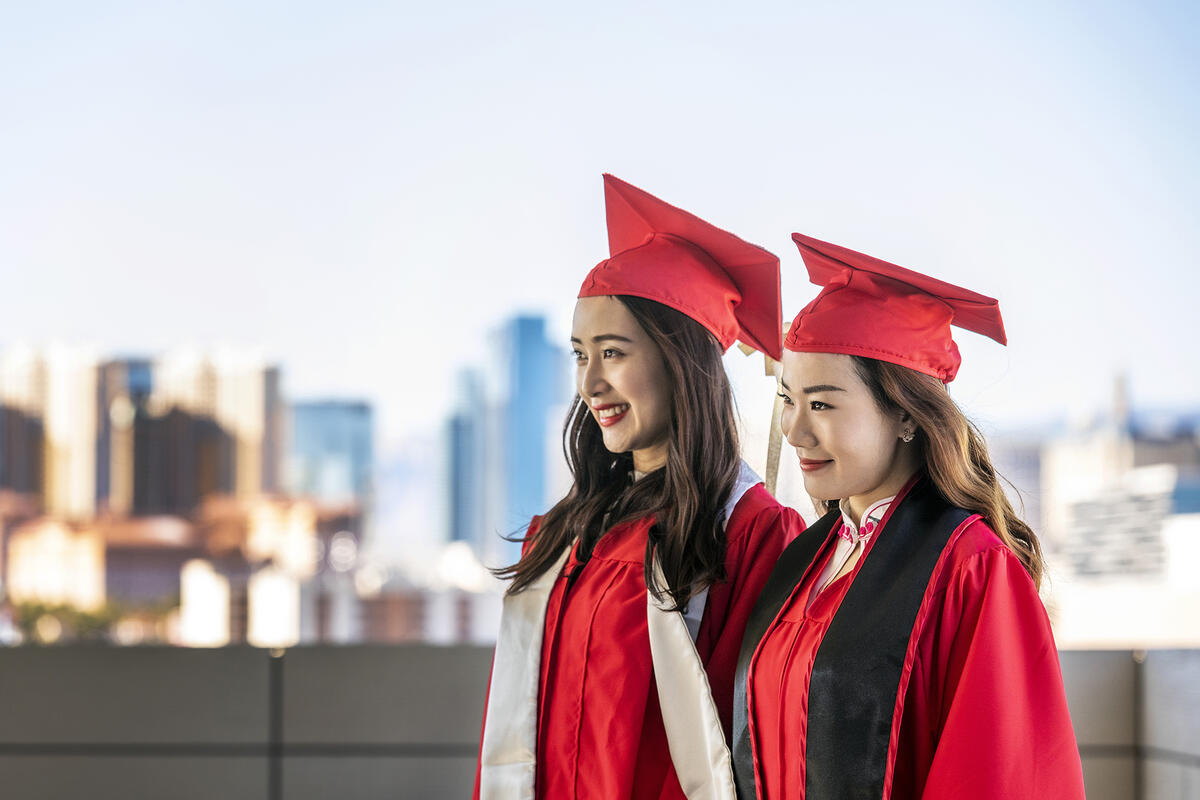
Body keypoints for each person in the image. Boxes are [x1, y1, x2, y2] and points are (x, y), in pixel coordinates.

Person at [474, 175, 806, 800]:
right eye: (580, 355)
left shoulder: (750, 533)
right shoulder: (564, 534)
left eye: (613, 353)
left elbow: (754, 747)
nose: (590, 384)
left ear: (680, 361)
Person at [731, 233, 1086, 799]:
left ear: (906, 415)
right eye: (788, 400)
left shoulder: (971, 569)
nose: (795, 431)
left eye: (822, 403)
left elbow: (1000, 778)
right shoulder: (803, 559)